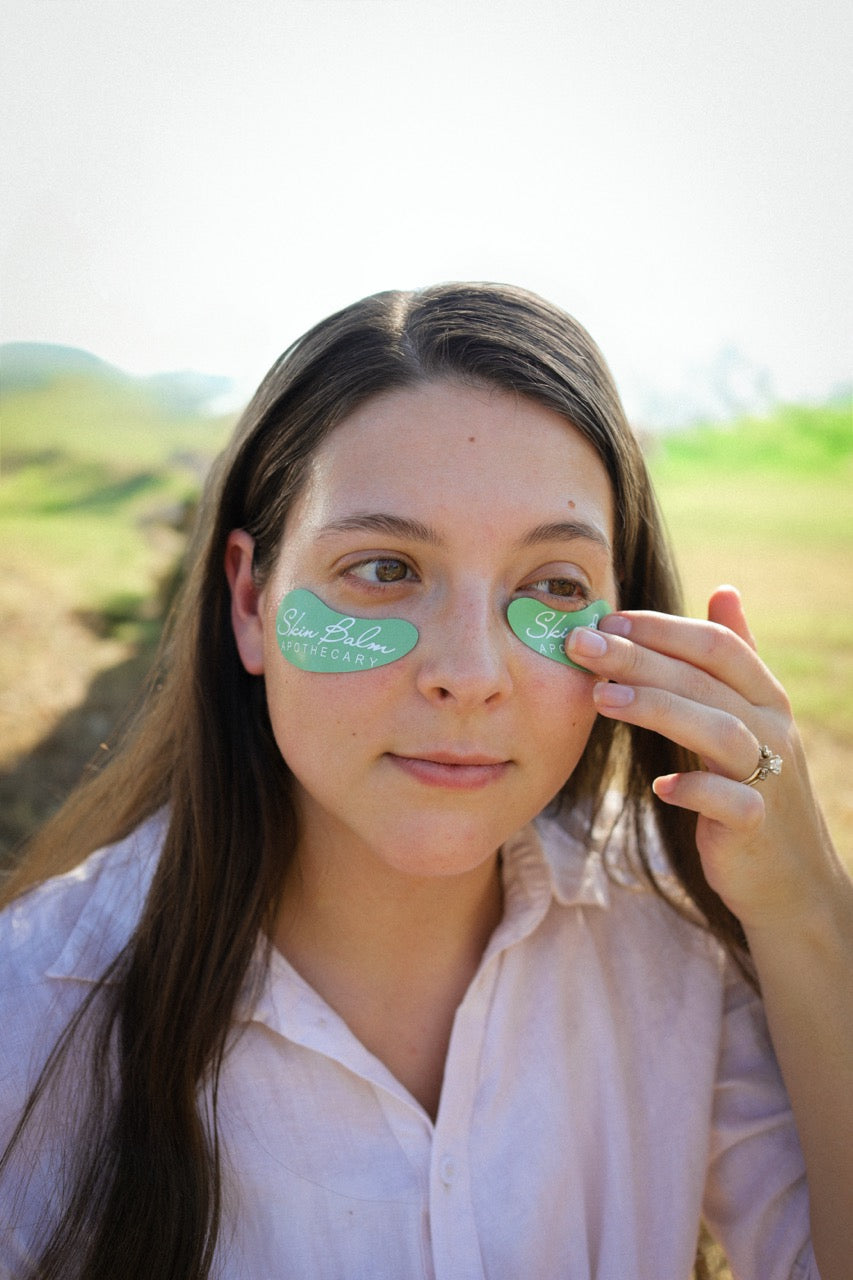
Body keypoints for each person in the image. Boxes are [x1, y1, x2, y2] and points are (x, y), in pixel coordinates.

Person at [0, 283, 850, 1280]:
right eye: (384, 566)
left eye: (552, 584)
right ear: (249, 598)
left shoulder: (673, 941)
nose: (470, 671)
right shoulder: (31, 1015)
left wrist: (806, 907)